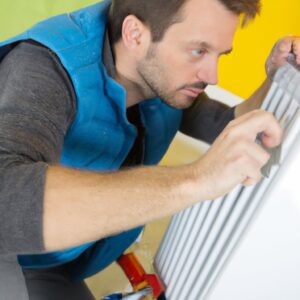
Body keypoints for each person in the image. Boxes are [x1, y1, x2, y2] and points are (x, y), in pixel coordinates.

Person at [0, 0, 299, 298]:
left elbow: (222, 124)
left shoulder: (159, 78)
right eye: (199, 51)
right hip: (11, 252)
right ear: (135, 34)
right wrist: (196, 180)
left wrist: (275, 78)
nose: (213, 76)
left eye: (219, 55)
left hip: (56, 258)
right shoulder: (41, 70)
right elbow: (8, 203)